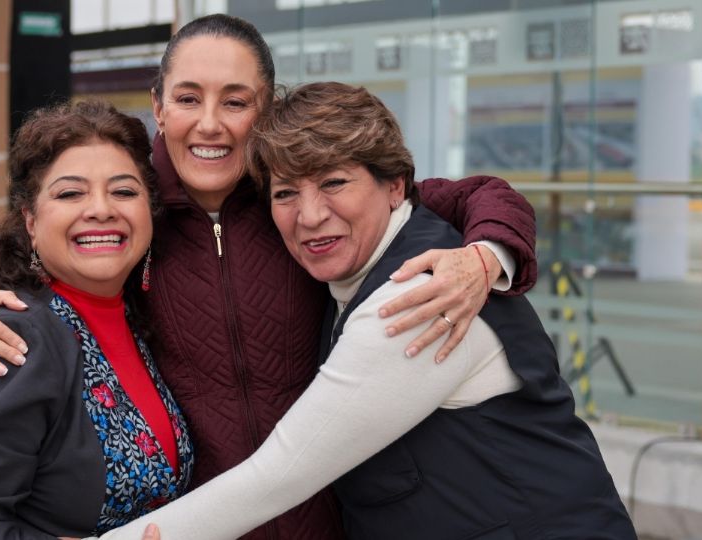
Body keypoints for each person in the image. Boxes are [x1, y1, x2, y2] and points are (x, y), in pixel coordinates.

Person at [0, 14, 540, 539]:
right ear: (159, 105)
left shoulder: (295, 199)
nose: (209, 124)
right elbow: (32, 252)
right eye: (187, 99)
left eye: (235, 102)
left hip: (329, 521)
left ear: (264, 111)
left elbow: (473, 193)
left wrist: (484, 256)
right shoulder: (133, 204)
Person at [95, 82, 637, 540]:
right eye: (285, 194)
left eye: (334, 183)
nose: (310, 216)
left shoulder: (417, 297)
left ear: (396, 185)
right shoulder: (375, 264)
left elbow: (275, 476)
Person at [0, 101, 193, 539]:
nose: (101, 209)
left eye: (123, 191)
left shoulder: (138, 317)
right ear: (31, 221)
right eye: (70, 193)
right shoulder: (2, 338)